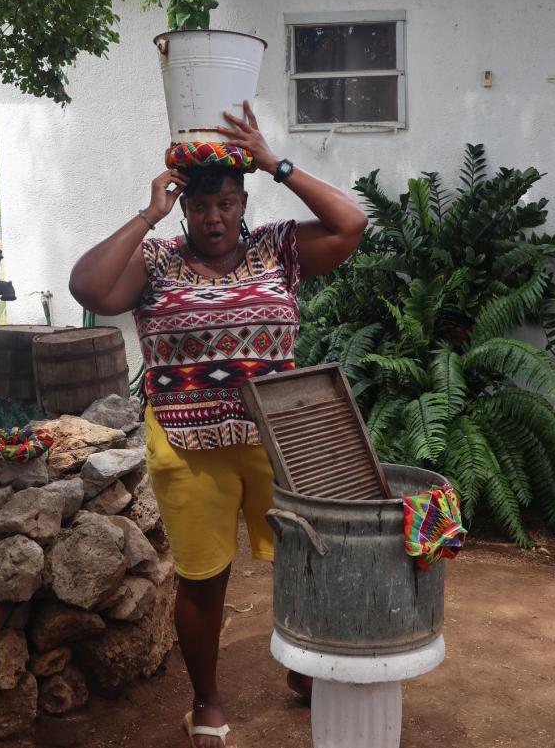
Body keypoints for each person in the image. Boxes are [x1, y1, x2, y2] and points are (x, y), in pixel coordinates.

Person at [69, 102, 368, 748]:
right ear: (185, 209)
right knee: (204, 580)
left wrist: (275, 161)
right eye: (202, 206)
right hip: (187, 446)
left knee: (304, 563)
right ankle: (206, 701)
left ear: (242, 202)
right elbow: (90, 289)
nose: (214, 217)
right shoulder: (154, 260)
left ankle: (304, 668)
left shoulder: (280, 247)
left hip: (277, 440)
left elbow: (351, 223)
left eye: (228, 203)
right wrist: (147, 213)